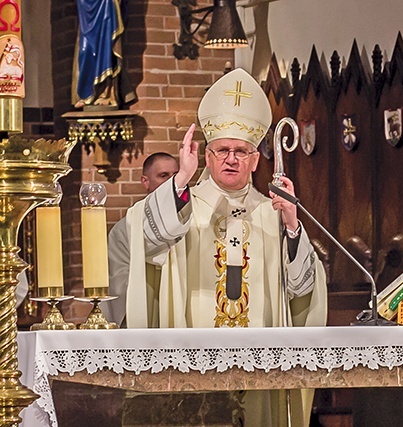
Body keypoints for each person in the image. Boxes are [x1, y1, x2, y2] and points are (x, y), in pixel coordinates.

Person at [124, 68, 327, 426]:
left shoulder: (272, 210)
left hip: (260, 364)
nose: (231, 158)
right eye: (222, 150)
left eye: (241, 151)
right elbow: (144, 237)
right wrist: (180, 179)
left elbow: (301, 289)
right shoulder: (184, 204)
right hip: (193, 360)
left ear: (255, 159)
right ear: (207, 155)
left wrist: (294, 225)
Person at [103, 152, 179, 327]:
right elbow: (118, 281)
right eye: (163, 176)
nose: (171, 182)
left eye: (175, 175)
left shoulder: (193, 218)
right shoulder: (126, 228)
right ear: (146, 181)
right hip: (147, 317)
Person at [72, 0, 137, 108]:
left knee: (106, 47)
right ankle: (87, 95)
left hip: (106, 5)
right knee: (84, 51)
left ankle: (106, 94)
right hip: (86, 8)